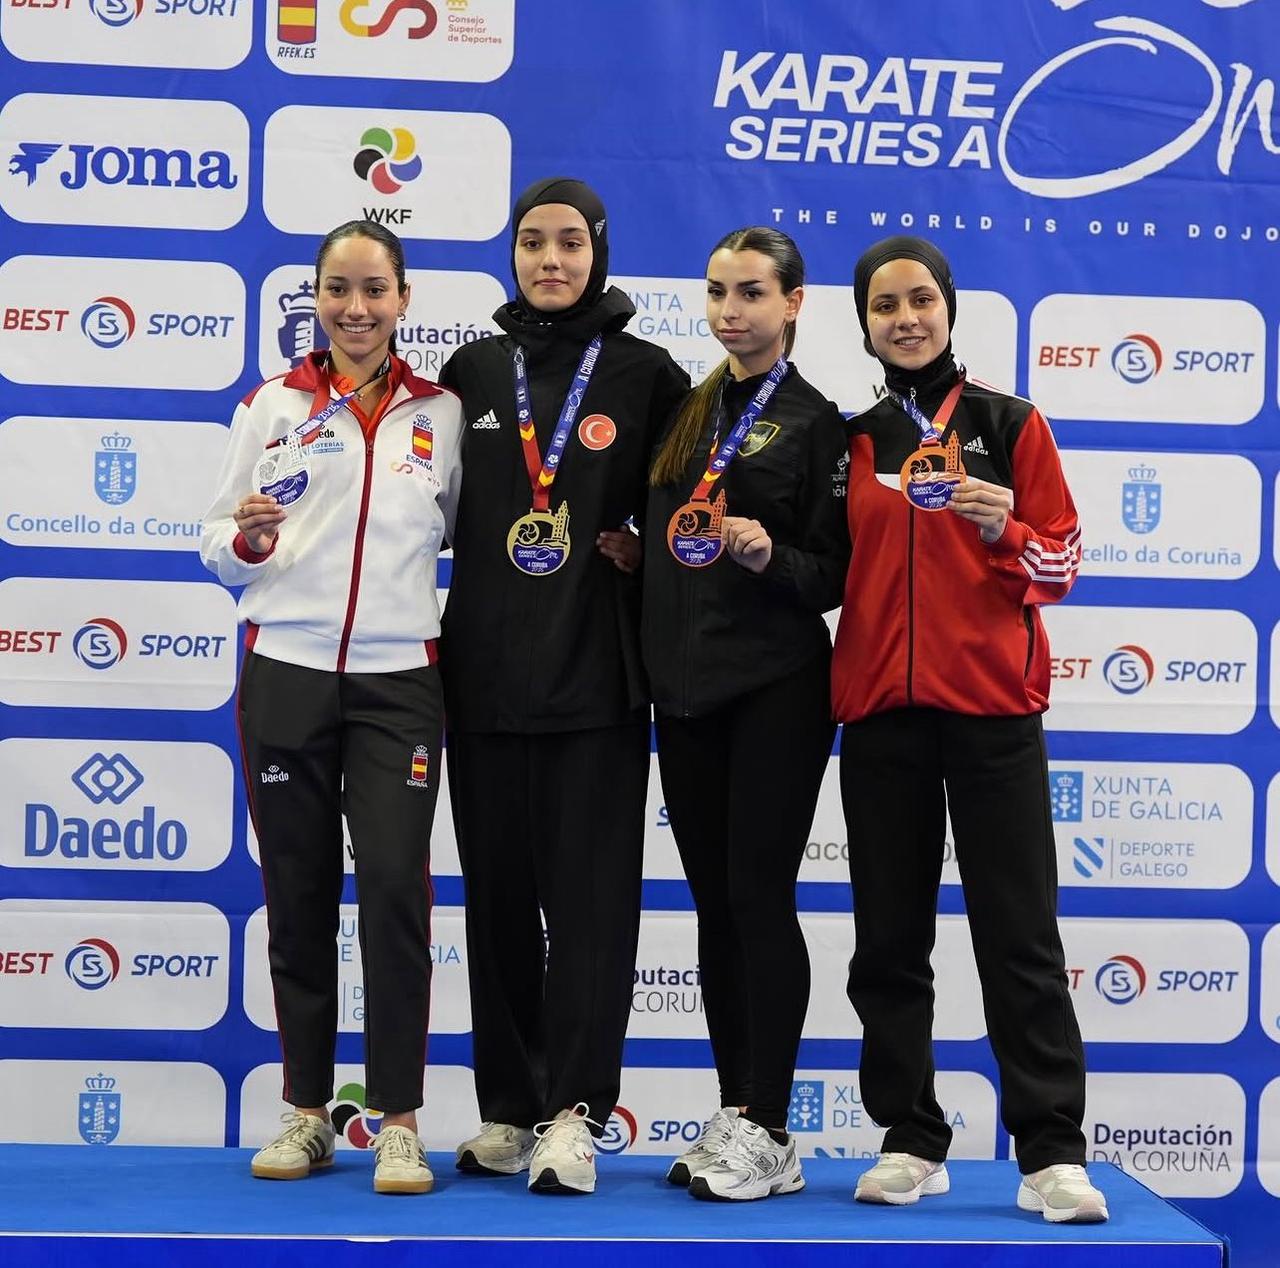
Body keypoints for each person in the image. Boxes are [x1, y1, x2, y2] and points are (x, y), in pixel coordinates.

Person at [833, 235, 1105, 1223]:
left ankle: (1050, 1151)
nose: (903, 318)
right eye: (882, 305)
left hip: (992, 716)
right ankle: (909, 1135)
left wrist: (1004, 529)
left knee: (1018, 938)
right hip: (882, 720)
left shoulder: (1007, 420)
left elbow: (1062, 564)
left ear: (947, 309)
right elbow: (830, 571)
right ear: (861, 321)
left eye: (918, 300)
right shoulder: (854, 437)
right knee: (887, 944)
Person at [200, 220, 462, 1196]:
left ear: (402, 300)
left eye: (374, 290)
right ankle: (307, 1108)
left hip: (400, 680)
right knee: (298, 895)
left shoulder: (438, 415)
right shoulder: (271, 405)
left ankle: (395, 1118)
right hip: (289, 670)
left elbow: (471, 548)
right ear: (316, 297)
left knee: (395, 887)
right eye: (337, 289)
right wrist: (252, 539)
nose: (355, 308)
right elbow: (215, 544)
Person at [438, 177, 689, 1195]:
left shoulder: (645, 375)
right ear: (511, 255)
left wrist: (646, 551)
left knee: (589, 910)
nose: (551, 259)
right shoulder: (469, 370)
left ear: (600, 251)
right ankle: (508, 1106)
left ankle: (574, 1114)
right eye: (533, 242)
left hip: (596, 683)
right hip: (484, 679)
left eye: (571, 243)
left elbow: (686, 519)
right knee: (496, 903)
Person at [643, 226, 849, 1202]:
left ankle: (770, 1121)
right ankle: (736, 1109)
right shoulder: (687, 410)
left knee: (758, 899)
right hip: (684, 690)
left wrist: (771, 555)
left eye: (753, 292)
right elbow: (666, 538)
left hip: (774, 687)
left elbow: (833, 575)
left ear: (793, 302)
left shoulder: (816, 422)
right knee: (715, 906)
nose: (733, 310)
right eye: (719, 291)